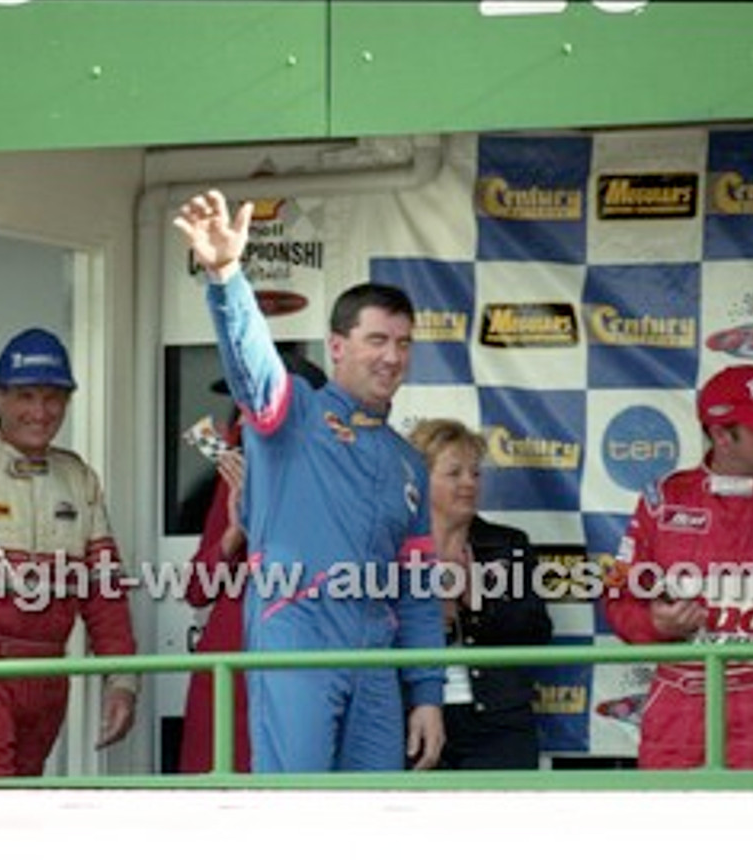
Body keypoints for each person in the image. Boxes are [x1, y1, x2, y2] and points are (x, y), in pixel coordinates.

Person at [173, 189, 445, 773]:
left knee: (373, 825)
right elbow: (251, 362)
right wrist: (225, 278)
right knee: (296, 818)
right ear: (338, 347)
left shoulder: (408, 462)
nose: (392, 357)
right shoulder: (292, 414)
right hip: (297, 647)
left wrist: (426, 694)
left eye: (403, 343)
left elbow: (418, 592)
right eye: (377, 340)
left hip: (375, 665)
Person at [603, 364, 753, 768]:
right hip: (678, 706)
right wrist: (655, 626)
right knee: (673, 830)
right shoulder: (661, 500)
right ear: (721, 435)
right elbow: (617, 596)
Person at [0, 327, 139, 777]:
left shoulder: (78, 478)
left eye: (53, 398)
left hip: (48, 673)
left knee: (26, 799)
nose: (40, 412)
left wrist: (122, 682)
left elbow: (104, 594)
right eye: (25, 396)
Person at [177, 350, 328, 774]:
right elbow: (196, 589)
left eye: (255, 408)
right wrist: (233, 535)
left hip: (299, 662)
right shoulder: (233, 480)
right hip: (229, 666)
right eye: (239, 408)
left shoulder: (337, 478)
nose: (241, 420)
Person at [407, 418, 553, 770]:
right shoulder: (393, 547)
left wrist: (475, 608)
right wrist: (436, 621)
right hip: (414, 716)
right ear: (420, 480)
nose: (468, 483)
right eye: (454, 473)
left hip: (499, 722)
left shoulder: (508, 544)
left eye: (475, 473)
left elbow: (537, 632)